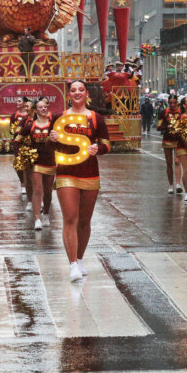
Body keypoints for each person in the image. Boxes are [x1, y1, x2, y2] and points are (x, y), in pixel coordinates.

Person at [50, 79, 111, 282]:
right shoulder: (59, 118)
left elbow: (107, 145)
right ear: (68, 94)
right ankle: (72, 263)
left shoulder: (96, 118)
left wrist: (98, 149)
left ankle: (80, 257)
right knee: (70, 218)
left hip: (90, 174)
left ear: (86, 94)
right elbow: (49, 146)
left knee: (84, 222)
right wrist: (51, 139)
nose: (77, 93)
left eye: (81, 90)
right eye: (73, 90)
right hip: (66, 172)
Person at [14, 96, 56, 230]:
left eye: (45, 107)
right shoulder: (30, 125)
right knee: (37, 189)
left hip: (50, 160)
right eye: (40, 107)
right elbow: (17, 141)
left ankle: (46, 214)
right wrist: (22, 155)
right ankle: (37, 218)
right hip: (36, 161)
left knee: (48, 191)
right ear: (36, 110)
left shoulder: (53, 125)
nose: (43, 109)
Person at [157, 95, 183, 193]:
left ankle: (178, 184)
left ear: (177, 103)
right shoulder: (164, 112)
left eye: (174, 103)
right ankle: (171, 185)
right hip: (167, 140)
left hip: (178, 140)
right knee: (169, 163)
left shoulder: (181, 112)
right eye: (170, 103)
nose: (172, 105)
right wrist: (167, 126)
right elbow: (158, 126)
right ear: (168, 103)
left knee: (177, 161)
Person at [10, 99, 32, 201]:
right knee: (19, 166)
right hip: (21, 144)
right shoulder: (21, 120)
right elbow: (15, 132)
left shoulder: (41, 119)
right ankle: (23, 184)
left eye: (29, 106)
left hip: (35, 147)